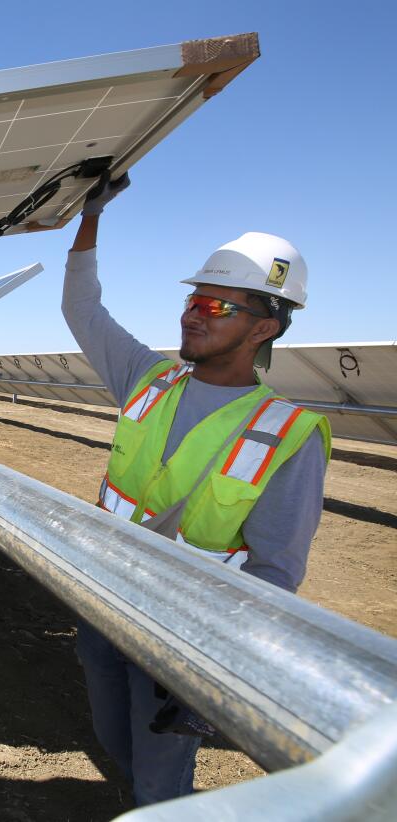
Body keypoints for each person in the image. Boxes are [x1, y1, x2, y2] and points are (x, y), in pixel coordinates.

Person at [61, 176, 330, 807]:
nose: (192, 314)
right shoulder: (147, 378)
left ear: (265, 327)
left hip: (183, 636)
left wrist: (216, 673)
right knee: (113, 738)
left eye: (216, 307)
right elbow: (83, 309)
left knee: (160, 781)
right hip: (104, 604)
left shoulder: (287, 433)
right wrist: (90, 219)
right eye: (192, 301)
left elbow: (276, 568)